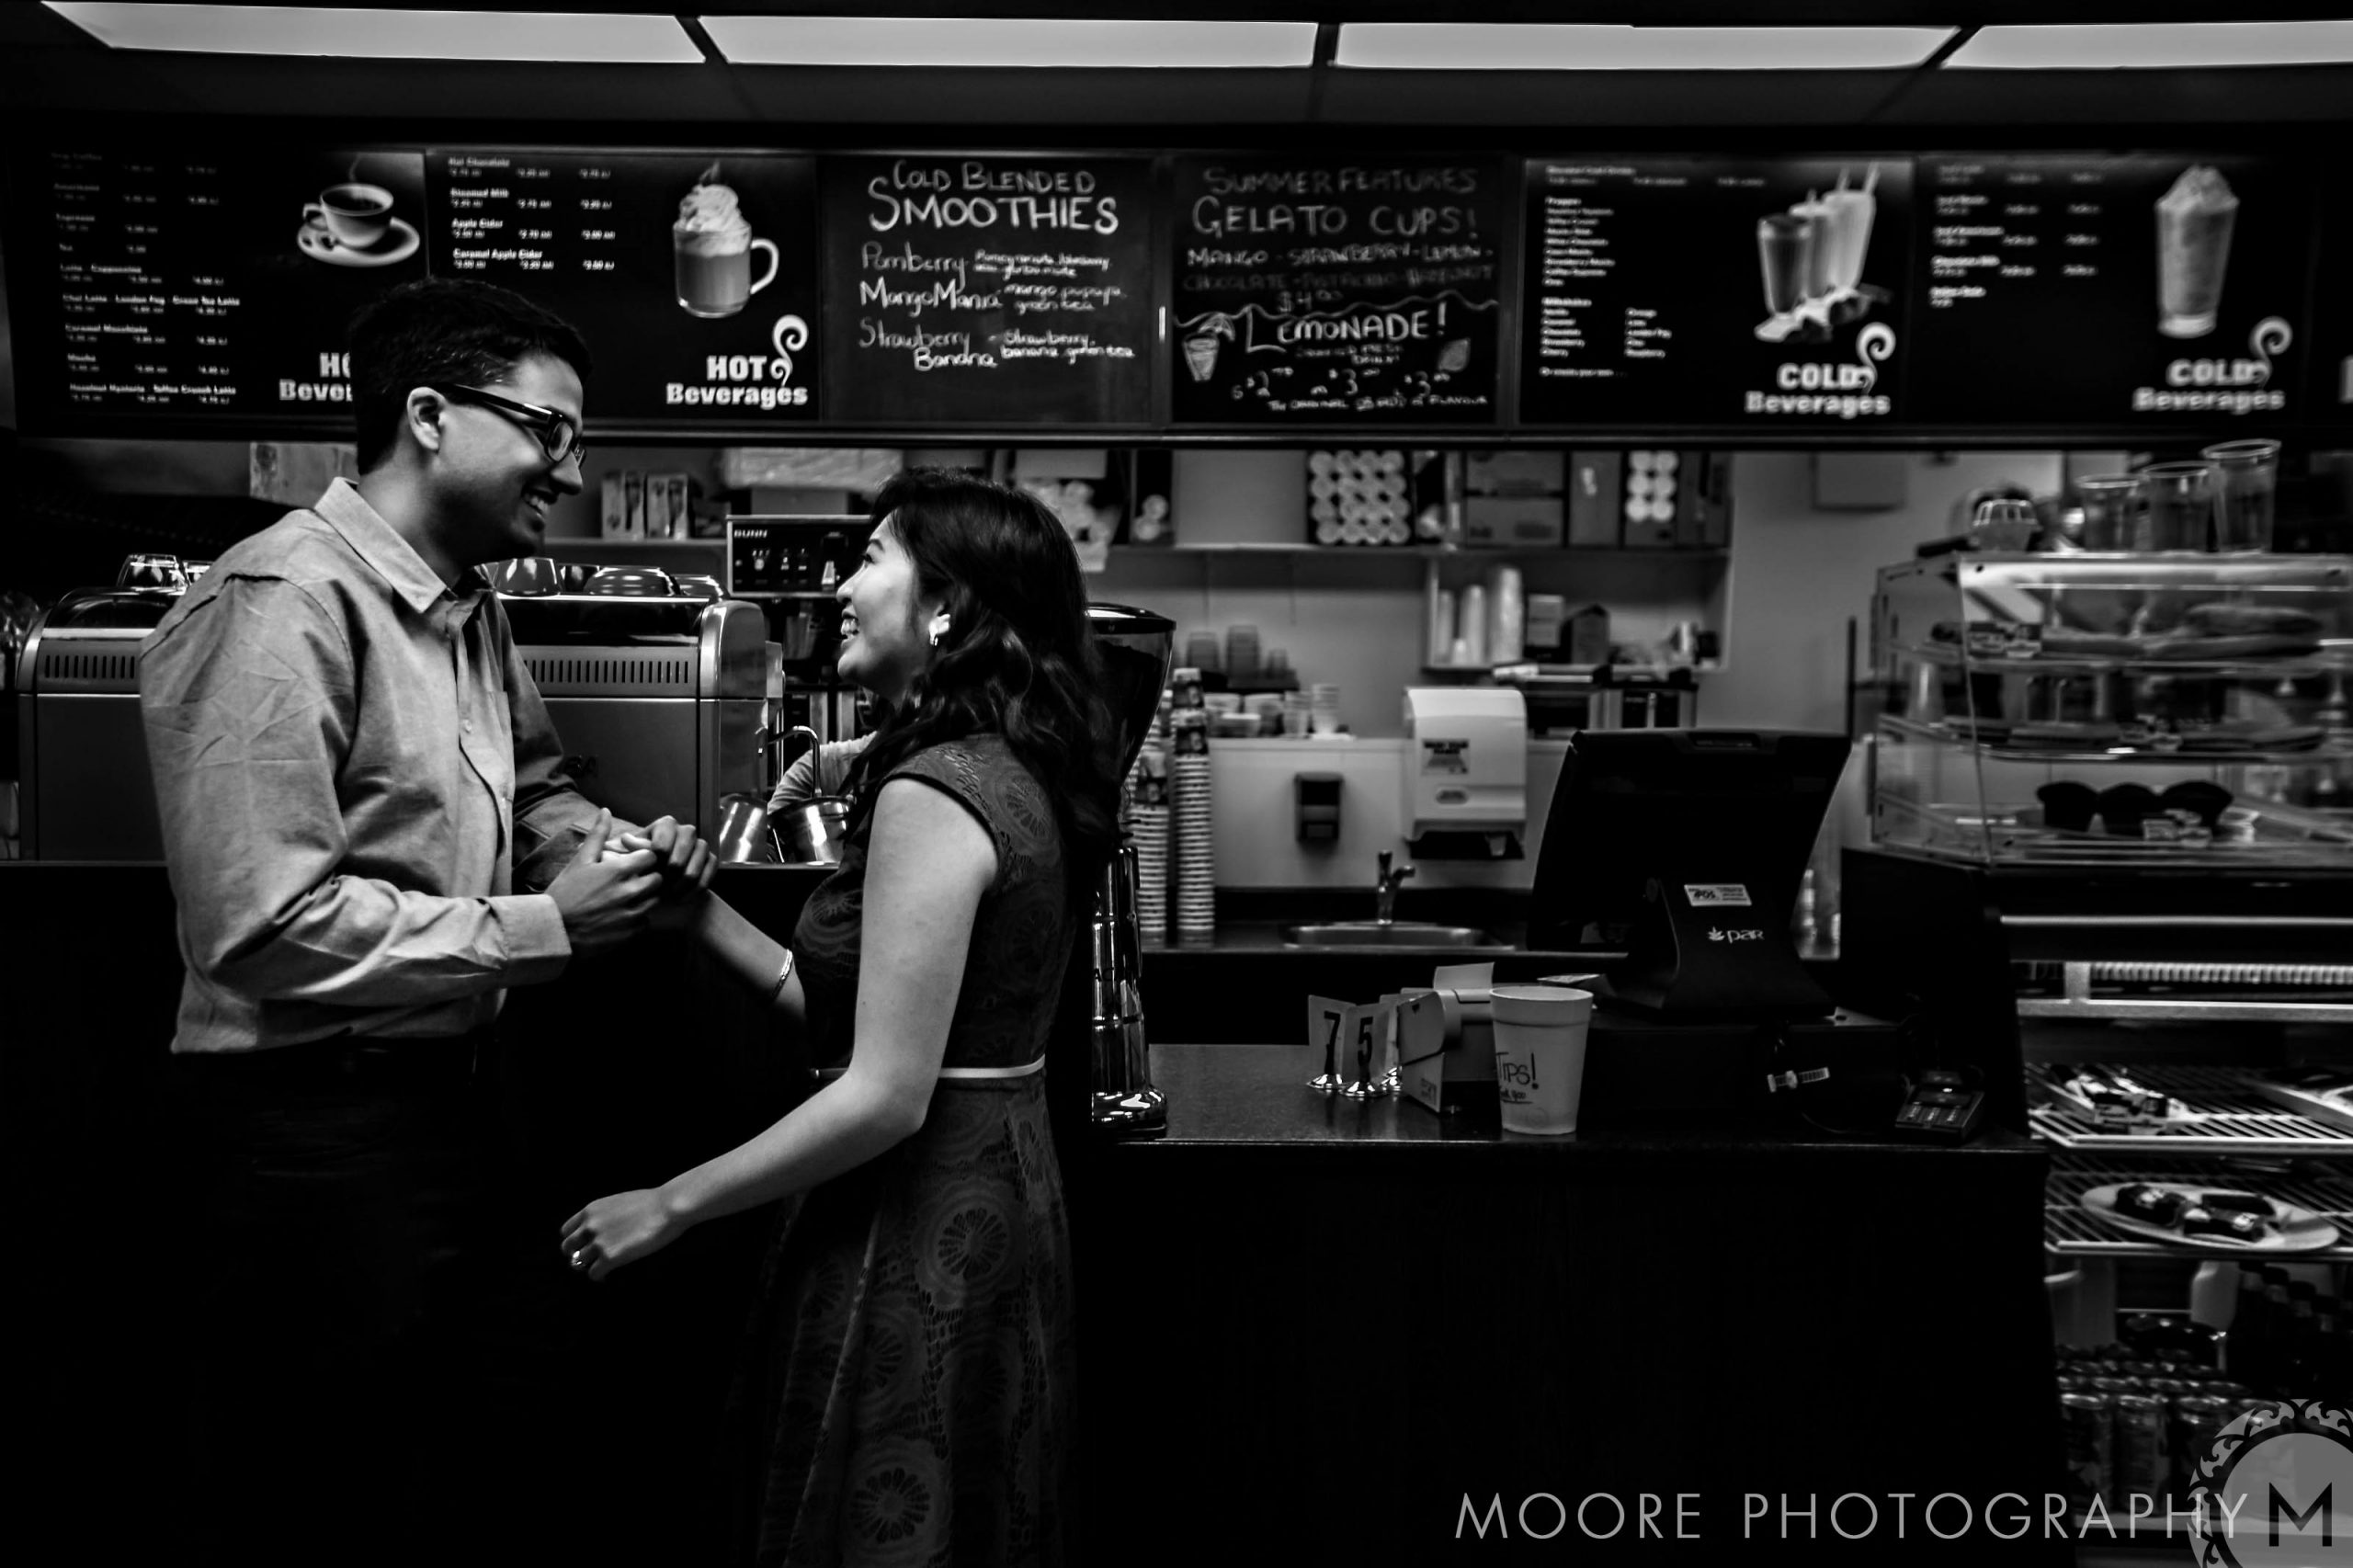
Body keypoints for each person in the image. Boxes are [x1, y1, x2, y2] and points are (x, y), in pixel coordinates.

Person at [140, 277, 712, 1566]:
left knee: (460, 1469)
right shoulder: (277, 605)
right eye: (547, 430)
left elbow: (544, 791)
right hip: (305, 1133)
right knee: (308, 1492)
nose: (570, 469)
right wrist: (540, 926)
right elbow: (261, 920)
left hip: (451, 1103)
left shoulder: (467, 605)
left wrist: (616, 855)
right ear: (430, 417)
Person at [561, 467, 1121, 1566]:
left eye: (870, 558)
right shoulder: (1012, 763)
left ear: (947, 606)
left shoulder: (934, 787)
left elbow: (882, 1093)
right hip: (998, 1190)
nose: (837, 585)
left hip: (910, 1215)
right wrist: (694, 910)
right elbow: (826, 1006)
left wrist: (670, 1203)